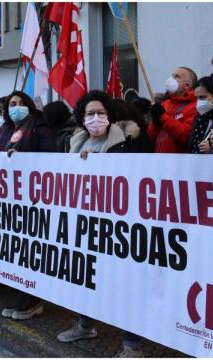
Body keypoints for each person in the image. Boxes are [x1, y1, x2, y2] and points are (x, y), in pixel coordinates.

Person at [56, 90, 151, 357]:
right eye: (89, 113)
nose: (95, 118)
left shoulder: (131, 140)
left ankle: (132, 346)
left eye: (100, 112)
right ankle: (86, 325)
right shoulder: (75, 142)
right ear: (81, 117)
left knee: (125, 283)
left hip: (122, 226)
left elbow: (146, 177)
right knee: (87, 276)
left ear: (109, 115)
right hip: (86, 223)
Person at [0, 91, 55, 321]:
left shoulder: (40, 130)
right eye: (13, 104)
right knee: (15, 251)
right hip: (8, 200)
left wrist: (22, 159)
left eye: (22, 103)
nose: (17, 107)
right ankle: (21, 295)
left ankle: (32, 300)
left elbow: (50, 161)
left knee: (29, 252)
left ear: (31, 107)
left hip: (32, 201)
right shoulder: (4, 131)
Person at [147, 67, 198, 153]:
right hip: (160, 158)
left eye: (177, 76)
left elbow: (185, 136)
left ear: (187, 85)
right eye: (172, 75)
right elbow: (151, 135)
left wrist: (163, 117)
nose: (171, 79)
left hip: (178, 161)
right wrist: (155, 123)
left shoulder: (194, 106)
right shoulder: (165, 103)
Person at [190, 76, 213, 154]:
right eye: (197, 98)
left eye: (202, 97)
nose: (199, 102)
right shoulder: (199, 117)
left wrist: (212, 150)